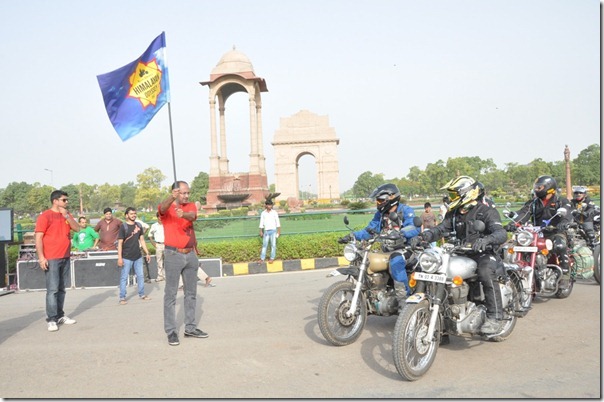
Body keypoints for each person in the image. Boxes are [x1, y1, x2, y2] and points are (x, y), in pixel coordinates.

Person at [411, 176, 507, 334]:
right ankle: (443, 325)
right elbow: (440, 230)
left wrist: (487, 240)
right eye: (451, 195)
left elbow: (501, 232)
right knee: (435, 270)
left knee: (485, 272)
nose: (451, 198)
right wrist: (423, 237)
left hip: (483, 253)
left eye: (454, 195)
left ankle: (494, 316)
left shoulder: (486, 211)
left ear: (467, 193)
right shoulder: (453, 214)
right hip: (461, 253)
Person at [338, 183, 421, 304]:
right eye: (377, 200)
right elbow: (370, 230)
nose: (378, 203)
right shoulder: (380, 215)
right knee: (366, 259)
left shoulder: (405, 210)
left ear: (391, 198)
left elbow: (414, 227)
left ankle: (404, 300)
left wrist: (401, 233)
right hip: (386, 250)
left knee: (396, 261)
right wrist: (353, 236)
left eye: (380, 200)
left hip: (406, 249)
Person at [159, 181, 208, 346]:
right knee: (171, 294)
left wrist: (183, 214)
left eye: (188, 193)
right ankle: (171, 331)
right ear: (176, 192)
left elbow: (193, 215)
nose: (186, 196)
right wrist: (170, 199)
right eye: (183, 193)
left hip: (190, 254)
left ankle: (190, 327)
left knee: (191, 293)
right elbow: (161, 209)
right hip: (173, 254)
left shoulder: (190, 205)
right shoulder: (167, 208)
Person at [506, 175, 573, 287]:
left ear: (549, 188)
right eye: (536, 187)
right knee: (517, 245)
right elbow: (523, 214)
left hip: (555, 232)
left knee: (560, 245)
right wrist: (514, 223)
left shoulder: (561, 201)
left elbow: (568, 213)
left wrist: (564, 222)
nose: (536, 190)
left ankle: (565, 275)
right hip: (537, 234)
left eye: (539, 187)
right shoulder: (533, 203)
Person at [35, 190, 81, 332]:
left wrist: (67, 216)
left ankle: (60, 315)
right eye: (64, 200)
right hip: (52, 257)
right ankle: (51, 318)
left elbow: (77, 228)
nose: (66, 202)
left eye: (66, 200)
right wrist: (41, 257)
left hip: (65, 256)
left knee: (61, 289)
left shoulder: (66, 215)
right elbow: (38, 238)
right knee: (53, 289)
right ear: (55, 201)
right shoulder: (45, 216)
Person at [117, 207, 151, 304]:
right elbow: (120, 243)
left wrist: (147, 252)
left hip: (138, 256)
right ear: (126, 215)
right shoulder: (123, 227)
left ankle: (142, 294)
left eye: (135, 213)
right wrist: (119, 258)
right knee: (124, 277)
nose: (134, 215)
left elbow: (142, 240)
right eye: (131, 214)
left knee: (140, 276)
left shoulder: (138, 225)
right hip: (126, 256)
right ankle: (122, 297)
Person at [258, 199, 281, 264]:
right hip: (266, 231)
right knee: (264, 245)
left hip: (273, 231)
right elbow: (261, 222)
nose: (270, 206)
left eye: (271, 205)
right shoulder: (263, 213)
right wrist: (261, 231)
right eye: (268, 205)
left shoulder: (274, 212)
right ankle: (262, 258)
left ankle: (272, 258)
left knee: (273, 245)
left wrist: (279, 231)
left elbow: (277, 222)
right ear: (266, 205)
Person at [149, 212, 166, 282]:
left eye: (161, 216)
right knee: (159, 261)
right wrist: (154, 244)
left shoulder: (166, 225)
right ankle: (160, 276)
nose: (160, 218)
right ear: (157, 217)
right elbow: (150, 235)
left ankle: (166, 276)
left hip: (166, 244)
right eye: (159, 216)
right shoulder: (154, 226)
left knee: (167, 261)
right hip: (158, 245)